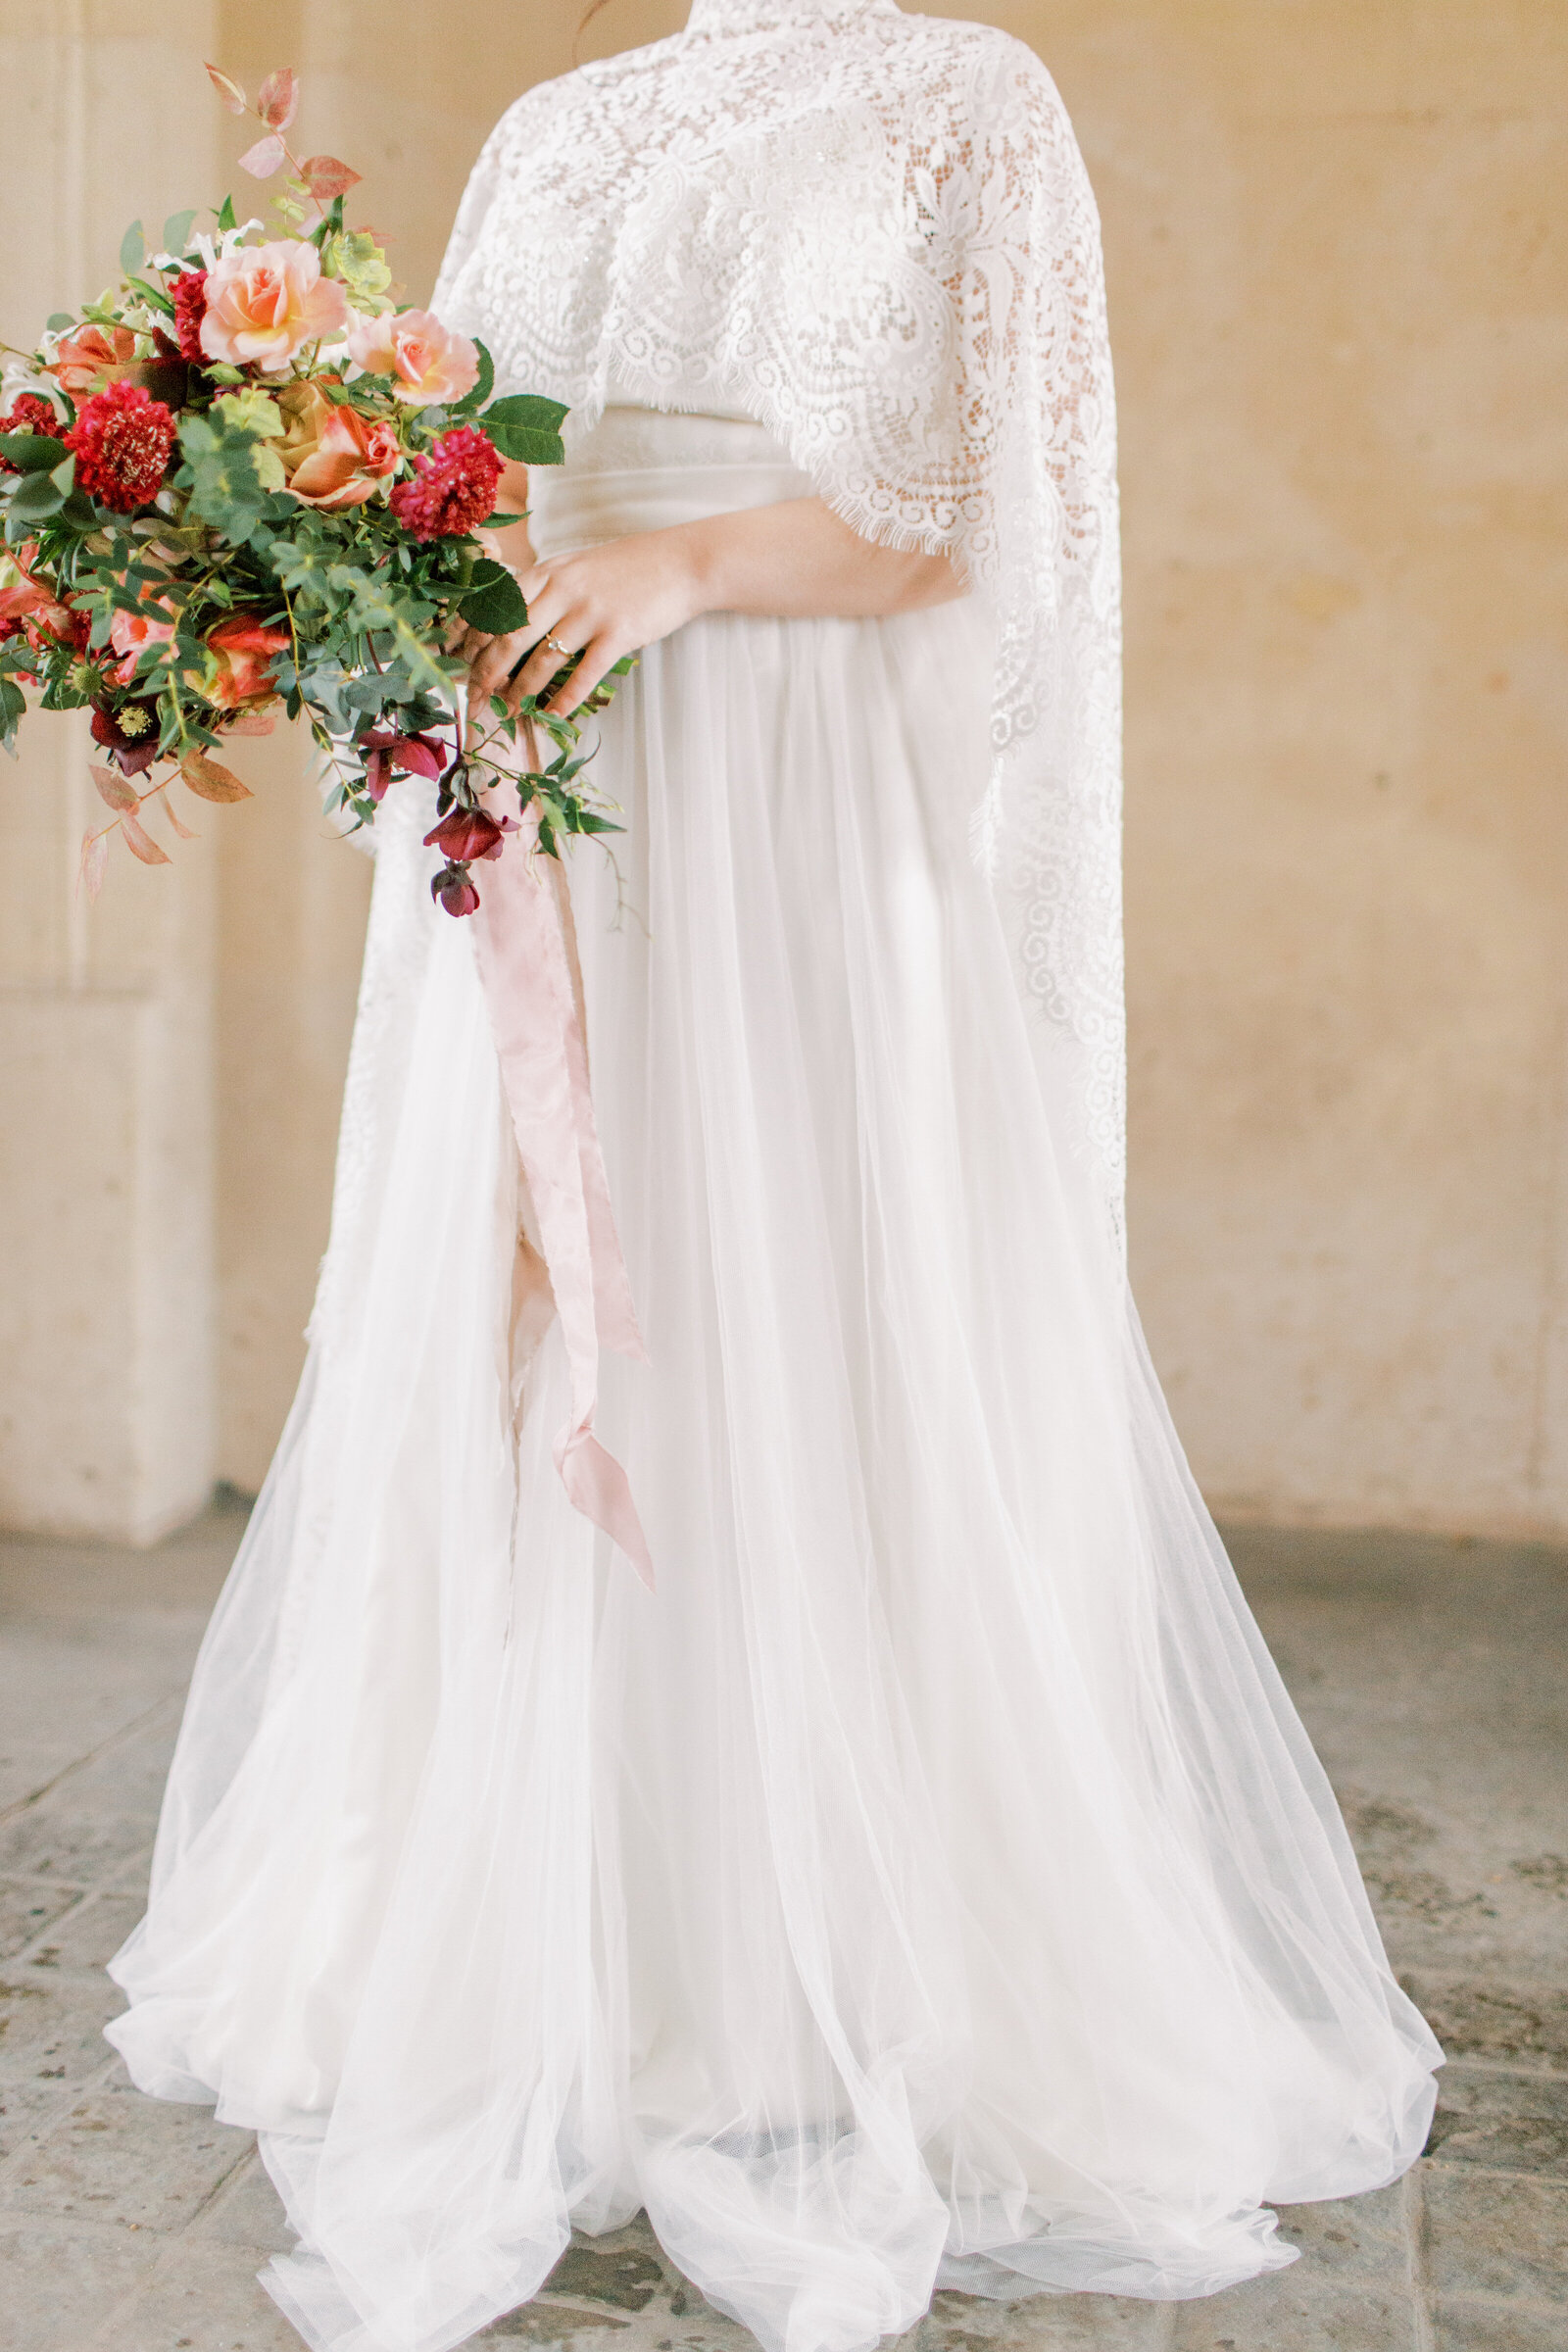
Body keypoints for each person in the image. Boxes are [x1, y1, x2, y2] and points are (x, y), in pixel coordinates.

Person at [106, 6, 1442, 2349]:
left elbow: (992, 510)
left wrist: (691, 564)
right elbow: (450, 470)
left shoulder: (963, 95)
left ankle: (801, 1949)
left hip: (795, 804)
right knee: (534, 1298)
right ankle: (560, 1933)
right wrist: (314, 570)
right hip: (540, 774)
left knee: (793, 1305)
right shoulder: (561, 116)